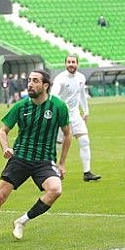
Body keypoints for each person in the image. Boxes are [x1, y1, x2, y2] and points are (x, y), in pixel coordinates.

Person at [0, 69, 71, 243]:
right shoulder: (20, 105)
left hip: (44, 160)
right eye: (29, 80)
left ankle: (22, 221)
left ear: (45, 85)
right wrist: (5, 148)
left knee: (55, 190)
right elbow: (3, 130)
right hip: (20, 158)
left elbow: (67, 134)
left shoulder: (58, 106)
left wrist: (62, 164)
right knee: (0, 196)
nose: (30, 84)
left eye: (35, 81)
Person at [51, 54, 101, 182]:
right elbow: (53, 96)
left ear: (77, 64)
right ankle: (52, 173)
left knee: (85, 141)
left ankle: (87, 172)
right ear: (65, 64)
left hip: (75, 115)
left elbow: (82, 94)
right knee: (57, 145)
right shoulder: (60, 79)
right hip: (61, 116)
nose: (71, 64)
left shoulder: (81, 77)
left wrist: (86, 111)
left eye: (73, 62)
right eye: (68, 62)